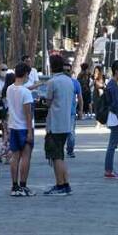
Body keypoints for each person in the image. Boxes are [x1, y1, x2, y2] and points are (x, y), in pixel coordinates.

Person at [41, 54, 74, 196]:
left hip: (55, 124)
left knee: (56, 157)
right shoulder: (69, 81)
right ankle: (65, 183)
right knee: (60, 155)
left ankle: (60, 185)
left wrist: (42, 101)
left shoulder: (52, 82)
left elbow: (48, 102)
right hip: (66, 123)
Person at [6, 62, 36, 196]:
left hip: (13, 126)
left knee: (15, 157)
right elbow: (28, 114)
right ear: (25, 74)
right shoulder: (26, 92)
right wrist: (30, 131)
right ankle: (23, 185)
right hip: (24, 127)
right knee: (26, 157)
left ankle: (14, 186)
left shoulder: (9, 89)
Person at [104, 60, 118, 179]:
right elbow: (116, 105)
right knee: (112, 146)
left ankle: (109, 169)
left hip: (114, 118)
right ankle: (109, 170)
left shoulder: (112, 84)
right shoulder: (113, 86)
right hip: (115, 119)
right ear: (117, 71)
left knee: (112, 145)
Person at [67, 68, 84, 158]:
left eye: (68, 70)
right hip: (60, 112)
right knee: (68, 132)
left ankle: (70, 150)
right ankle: (66, 151)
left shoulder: (75, 83)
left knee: (70, 132)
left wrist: (80, 111)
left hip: (71, 112)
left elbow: (80, 98)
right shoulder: (57, 81)